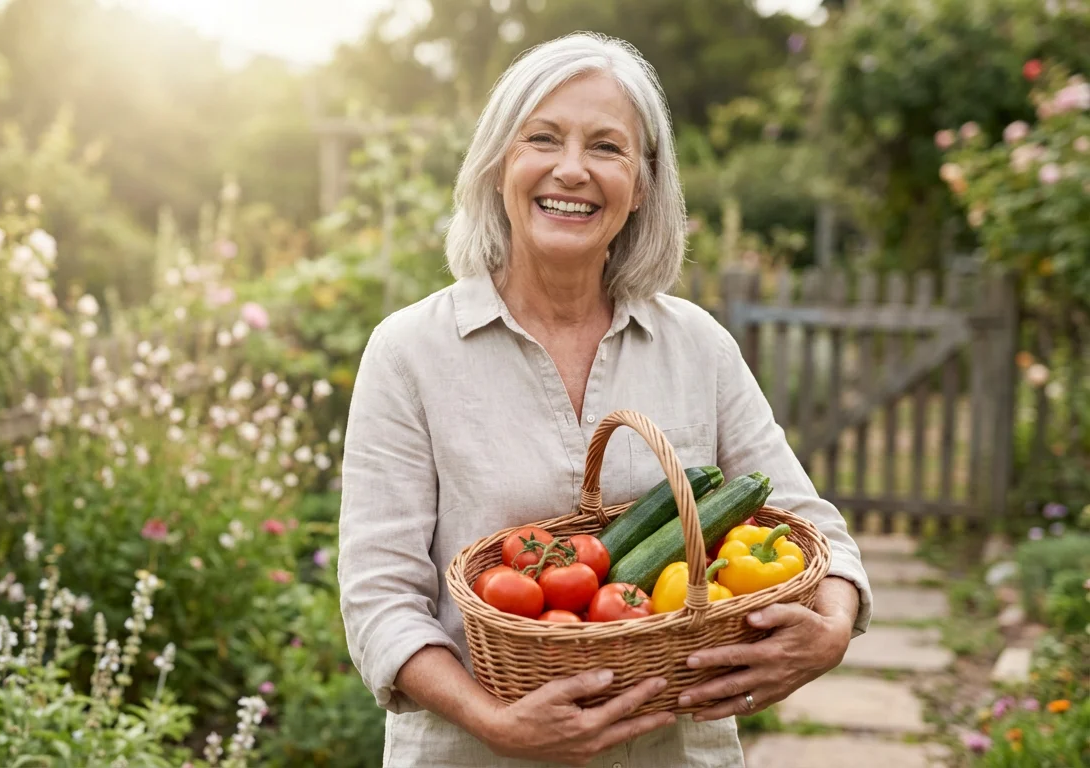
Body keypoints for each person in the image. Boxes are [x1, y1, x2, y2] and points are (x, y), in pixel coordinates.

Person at [336, 32, 872, 768]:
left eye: (607, 148)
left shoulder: (697, 346)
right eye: (544, 138)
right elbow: (379, 601)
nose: (572, 170)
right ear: (499, 165)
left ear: (643, 184)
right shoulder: (410, 352)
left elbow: (818, 533)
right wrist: (497, 723)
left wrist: (832, 631)